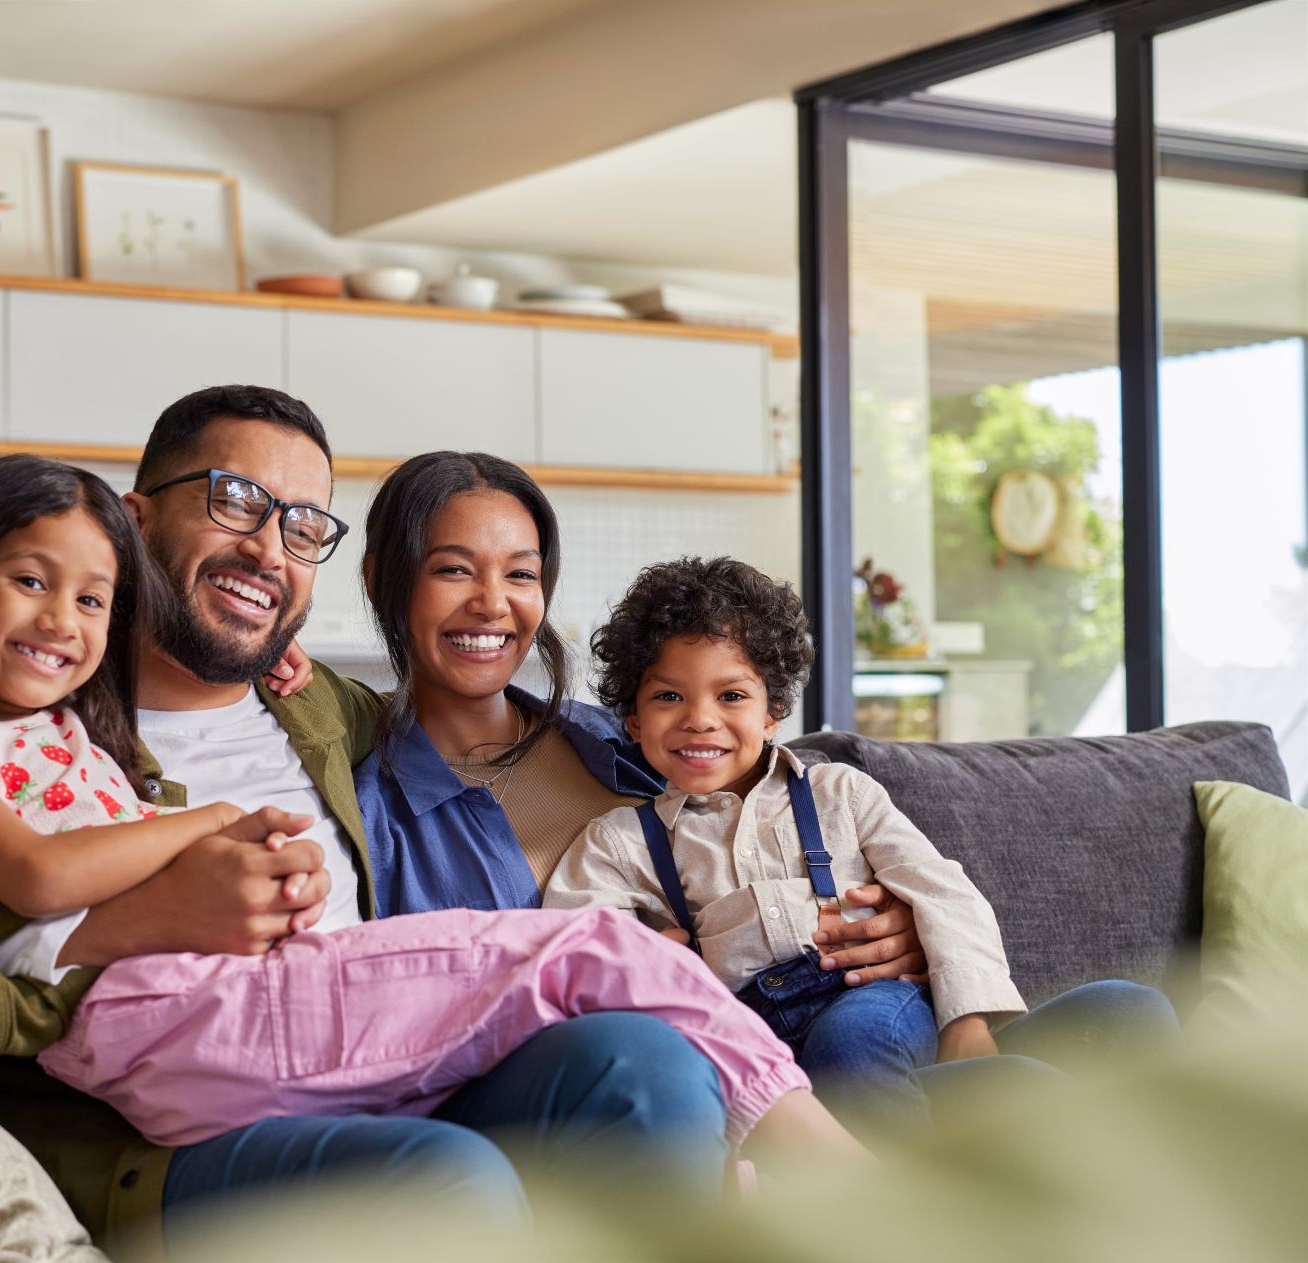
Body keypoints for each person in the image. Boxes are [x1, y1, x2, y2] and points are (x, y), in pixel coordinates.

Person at [0, 391, 858, 1253]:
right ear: (133, 516)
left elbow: (627, 744)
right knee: (450, 1179)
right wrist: (139, 917)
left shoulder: (326, 712)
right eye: (236, 502)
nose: (268, 550)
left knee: (642, 1061)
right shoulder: (27, 729)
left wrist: (851, 900)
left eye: (301, 529)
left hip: (372, 1064)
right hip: (186, 1123)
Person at [353, 452, 1180, 1139]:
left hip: (893, 1011)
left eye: (520, 573)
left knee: (1128, 1011)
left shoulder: (613, 736)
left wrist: (915, 939)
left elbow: (930, 882)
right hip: (740, 1058)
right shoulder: (387, 813)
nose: (492, 602)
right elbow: (570, 946)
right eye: (453, 569)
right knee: (885, 1056)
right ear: (387, 580)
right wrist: (646, 959)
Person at [543, 556, 1022, 1134]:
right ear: (634, 720)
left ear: (773, 712)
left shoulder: (840, 794)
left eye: (732, 696)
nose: (700, 720)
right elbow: (573, 946)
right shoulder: (620, 841)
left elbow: (943, 893)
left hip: (868, 1004)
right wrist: (652, 955)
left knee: (853, 1039)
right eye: (669, 697)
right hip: (749, 1040)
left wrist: (965, 1023)